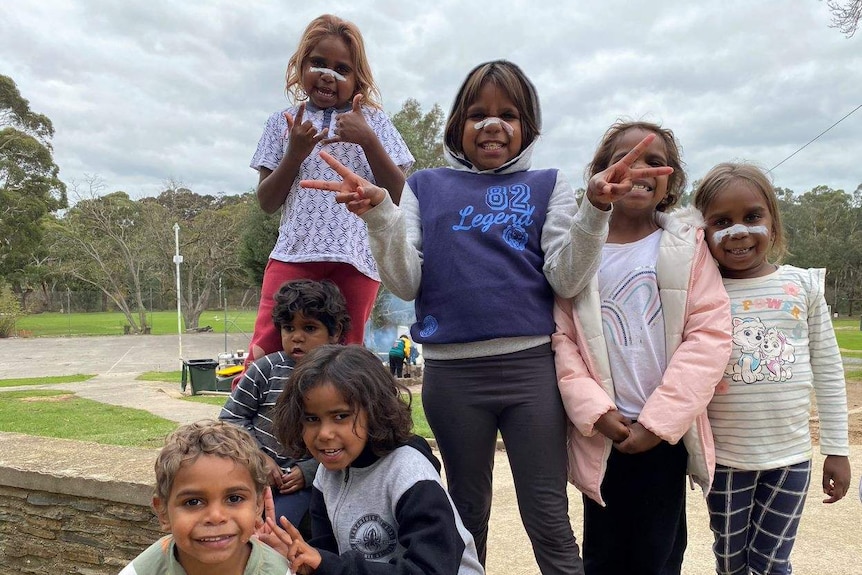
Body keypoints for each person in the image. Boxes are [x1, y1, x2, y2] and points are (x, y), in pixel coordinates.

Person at [298, 61, 674, 574]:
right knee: (464, 514)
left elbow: (566, 279)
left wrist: (594, 211)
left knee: (546, 514)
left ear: (528, 128)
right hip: (453, 377)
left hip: (530, 373)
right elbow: (406, 282)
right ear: (457, 126)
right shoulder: (426, 186)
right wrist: (380, 216)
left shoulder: (552, 184)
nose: (492, 125)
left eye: (508, 114)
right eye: (477, 114)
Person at [552, 120, 732, 574]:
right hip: (605, 434)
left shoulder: (687, 246)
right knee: (602, 556)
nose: (639, 168)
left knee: (658, 556)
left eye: (655, 161)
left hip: (663, 436)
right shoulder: (580, 249)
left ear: (671, 180)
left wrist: (658, 422)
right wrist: (596, 412)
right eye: (624, 158)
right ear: (601, 173)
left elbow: (708, 336)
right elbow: (564, 340)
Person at [693, 162, 852, 575]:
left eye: (752, 217)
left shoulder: (802, 286)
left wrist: (836, 449)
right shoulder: (700, 292)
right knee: (730, 563)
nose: (739, 231)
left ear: (773, 222)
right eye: (721, 222)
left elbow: (830, 373)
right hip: (725, 461)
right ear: (703, 232)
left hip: (790, 458)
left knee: (770, 563)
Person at [242, 13, 413, 379]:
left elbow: (401, 196)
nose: (328, 75)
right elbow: (268, 201)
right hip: (294, 253)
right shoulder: (282, 122)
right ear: (301, 66)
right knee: (266, 353)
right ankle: (249, 432)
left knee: (345, 363)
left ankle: (343, 435)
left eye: (342, 69)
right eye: (318, 63)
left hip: (356, 259)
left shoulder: (374, 122)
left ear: (357, 79)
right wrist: (295, 152)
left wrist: (367, 139)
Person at [262, 345, 483, 575]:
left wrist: (328, 565)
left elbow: (432, 570)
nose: (324, 433)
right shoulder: (325, 477)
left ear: (375, 411)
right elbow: (327, 558)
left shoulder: (410, 476)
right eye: (311, 418)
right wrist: (304, 562)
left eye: (341, 416)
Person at [220, 279, 351, 536]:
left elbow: (351, 436)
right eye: (288, 328)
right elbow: (230, 418)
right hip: (252, 474)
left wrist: (309, 471)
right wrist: (258, 457)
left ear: (335, 333)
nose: (297, 337)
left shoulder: (343, 378)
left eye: (310, 328)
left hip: (305, 484)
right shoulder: (265, 370)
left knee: (276, 528)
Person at [118, 420, 291, 575]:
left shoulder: (278, 570)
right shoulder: (141, 571)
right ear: (163, 512)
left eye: (234, 499)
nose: (216, 517)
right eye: (193, 502)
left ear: (258, 505)